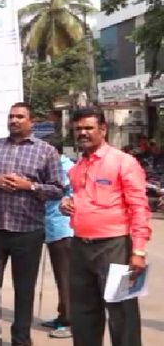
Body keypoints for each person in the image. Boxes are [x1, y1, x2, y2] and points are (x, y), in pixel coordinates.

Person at [0, 102, 64, 346]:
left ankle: (21, 338)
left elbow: (58, 189)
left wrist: (30, 186)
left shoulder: (46, 151)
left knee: (25, 289)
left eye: (20, 117)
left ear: (31, 122)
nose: (14, 120)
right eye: (11, 116)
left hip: (28, 230)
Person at [60, 107, 151, 346]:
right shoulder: (77, 167)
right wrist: (67, 204)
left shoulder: (123, 162)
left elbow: (139, 208)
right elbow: (80, 198)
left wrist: (138, 252)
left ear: (103, 129)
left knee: (122, 315)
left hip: (115, 247)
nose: (83, 133)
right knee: (83, 314)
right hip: (80, 246)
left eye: (89, 128)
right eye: (78, 128)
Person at [40, 138, 75, 339]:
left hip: (64, 228)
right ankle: (62, 315)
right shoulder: (53, 167)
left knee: (66, 277)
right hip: (53, 227)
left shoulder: (65, 168)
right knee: (59, 276)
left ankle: (70, 321)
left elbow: (60, 191)